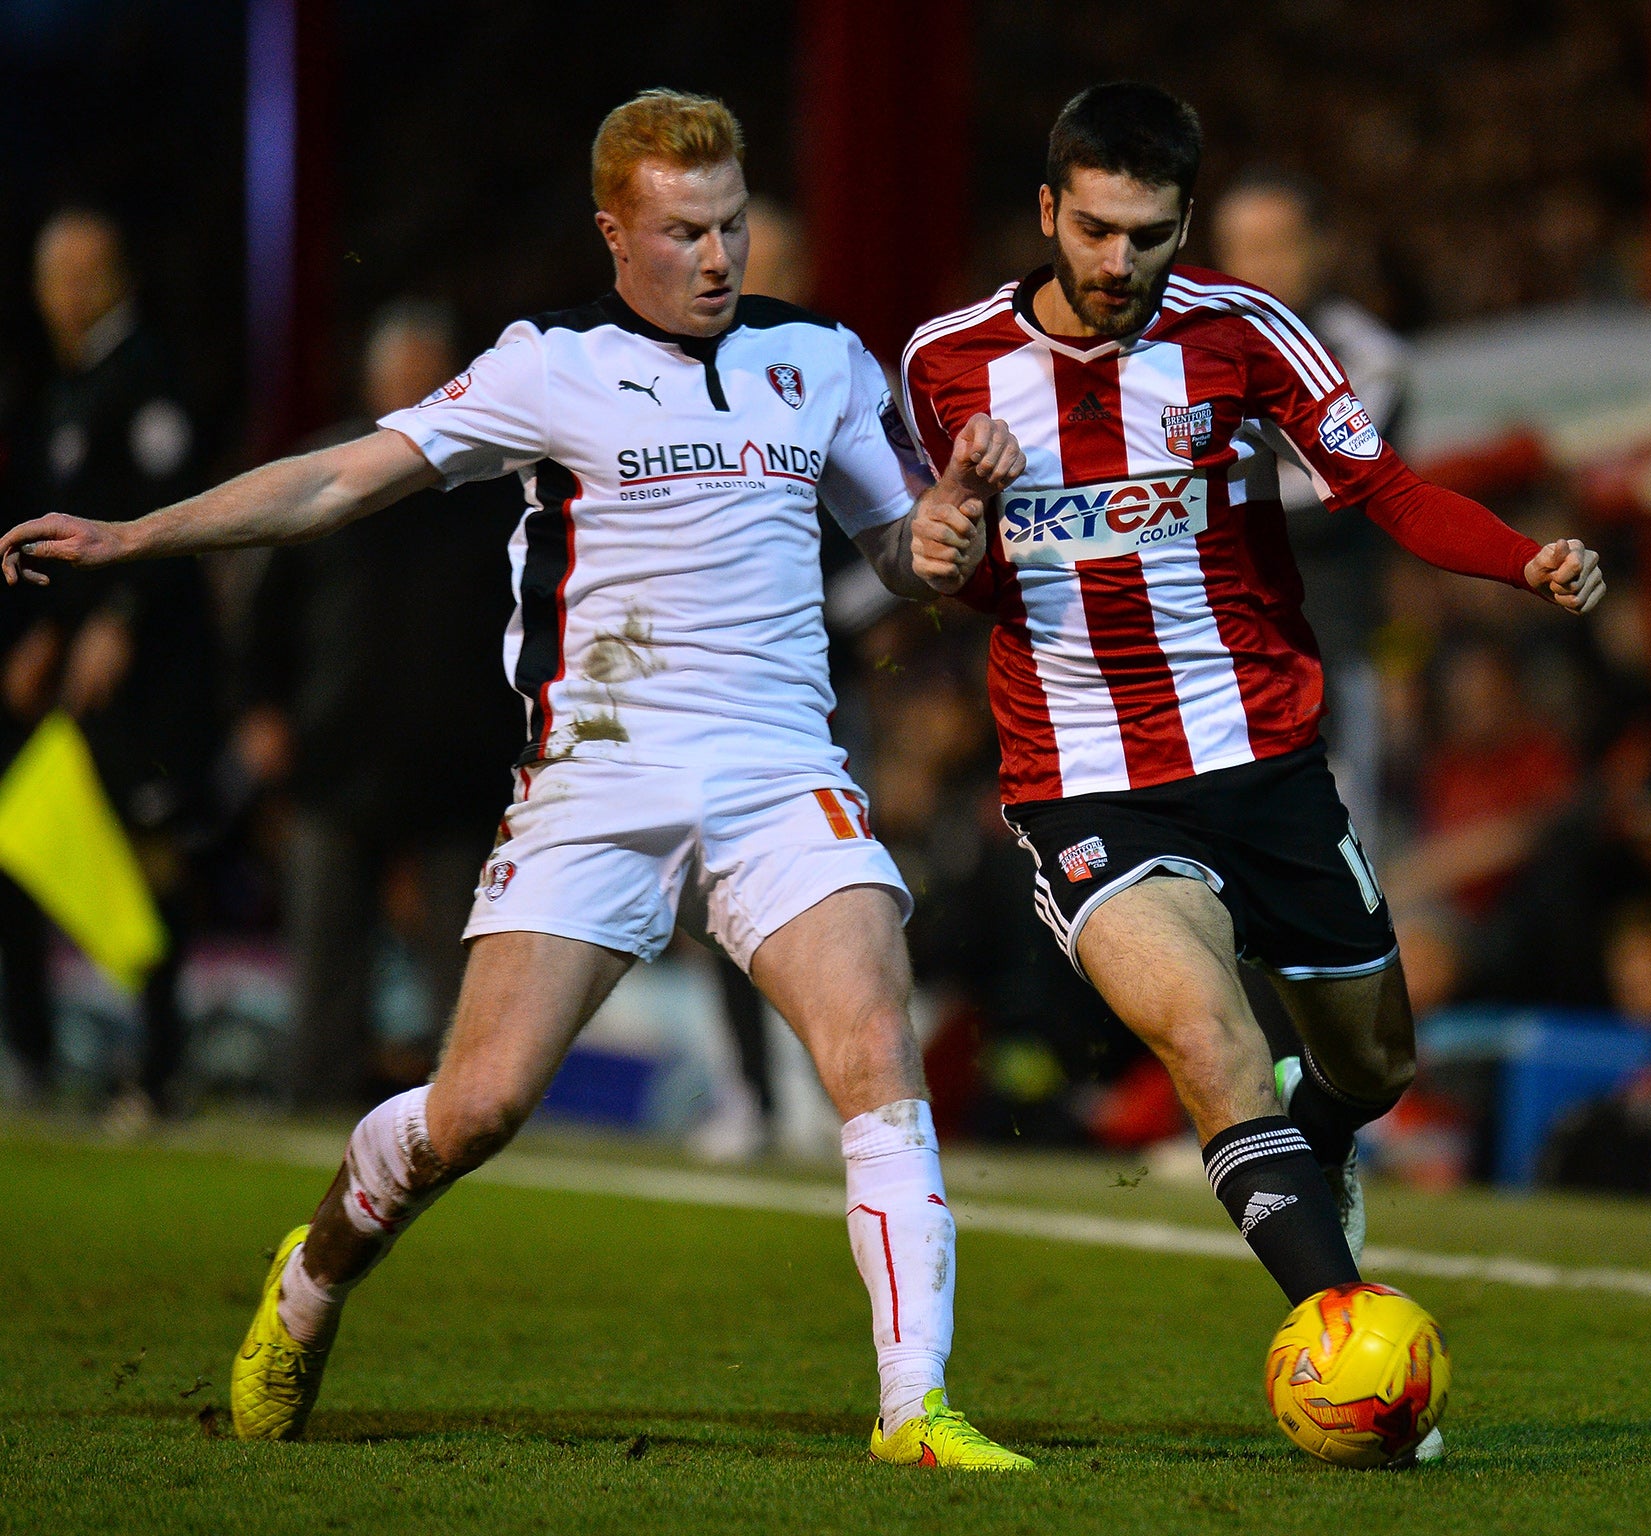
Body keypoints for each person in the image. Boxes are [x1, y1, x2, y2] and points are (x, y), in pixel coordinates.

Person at [2, 89, 1032, 1469]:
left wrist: (951, 523)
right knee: (476, 1107)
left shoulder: (826, 362)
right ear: (613, 232)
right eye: (684, 232)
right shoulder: (548, 368)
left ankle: (916, 1407)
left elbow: (902, 555)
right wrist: (140, 540)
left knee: (873, 1044)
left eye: (731, 226)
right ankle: (309, 1287)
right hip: (595, 780)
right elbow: (332, 485)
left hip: (780, 768)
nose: (719, 258)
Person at [901, 83, 1604, 1459]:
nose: (1118, 266)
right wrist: (951, 534)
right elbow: (947, 567)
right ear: (1047, 212)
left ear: (1183, 224)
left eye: (1148, 236)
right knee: (1214, 1043)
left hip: (1268, 762)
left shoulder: (1246, 337)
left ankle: (1321, 1154)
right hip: (1085, 781)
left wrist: (1519, 559)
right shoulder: (942, 363)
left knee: (1373, 1058)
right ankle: (1348, 1347)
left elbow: (1383, 486)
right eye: (1094, 231)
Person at [234, 300, 525, 1107]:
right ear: (372, 376)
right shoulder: (327, 469)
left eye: (430, 372)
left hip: (460, 761)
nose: (415, 386)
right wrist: (261, 706)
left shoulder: (495, 484)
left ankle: (463, 1112)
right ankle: (314, 1098)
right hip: (336, 754)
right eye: (401, 369)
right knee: (327, 954)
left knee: (459, 965)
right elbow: (266, 607)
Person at [0, 206, 214, 1122]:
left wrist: (118, 619)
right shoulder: (69, 386)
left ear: (116, 276)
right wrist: (50, 630)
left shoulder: (147, 374)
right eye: (55, 276)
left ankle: (157, 1069)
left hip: (150, 679)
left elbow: (173, 506)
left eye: (85, 274)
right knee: (30, 842)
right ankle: (34, 1054)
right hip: (83, 678)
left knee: (147, 855)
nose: (67, 294)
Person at [1212, 170, 1411, 826]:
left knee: (1331, 900)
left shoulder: (1367, 358)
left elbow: (1326, 497)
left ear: (1318, 248)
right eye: (1246, 248)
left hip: (1316, 668)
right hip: (1198, 674)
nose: (1262, 266)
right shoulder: (1177, 355)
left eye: (1280, 244)